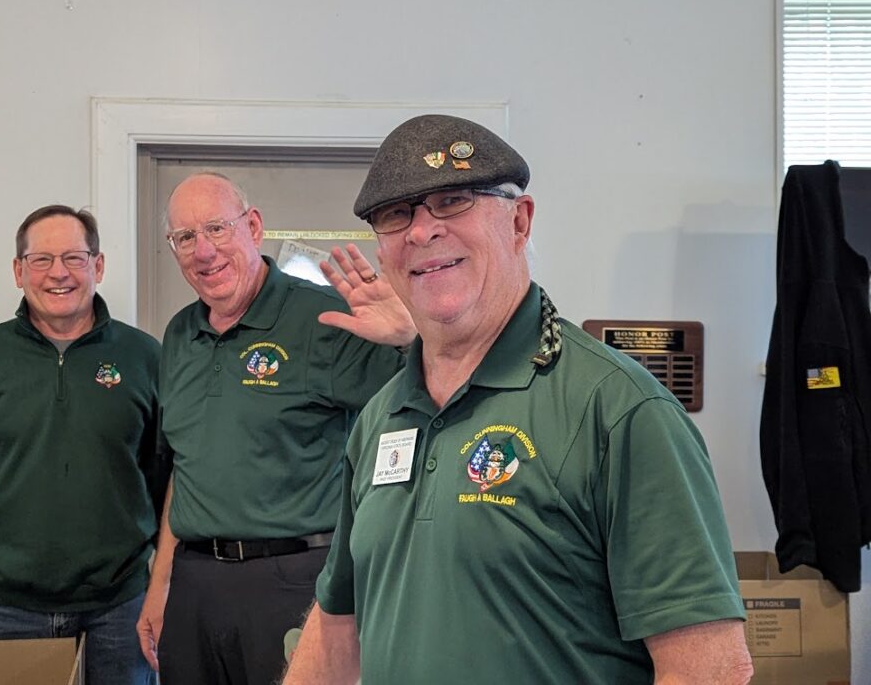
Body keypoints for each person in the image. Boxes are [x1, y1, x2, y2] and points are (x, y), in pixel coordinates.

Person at [284, 114, 755, 684]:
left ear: (519, 221)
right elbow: (339, 624)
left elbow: (709, 669)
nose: (421, 231)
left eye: (452, 201)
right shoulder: (381, 418)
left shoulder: (618, 411)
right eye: (395, 214)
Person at [135, 172, 413, 685]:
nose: (204, 251)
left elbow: (428, 405)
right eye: (185, 237)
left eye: (217, 228)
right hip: (194, 585)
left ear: (254, 227)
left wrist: (411, 338)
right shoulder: (179, 334)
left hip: (294, 581)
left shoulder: (325, 319)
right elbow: (187, 469)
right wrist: (161, 586)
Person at [0, 205, 164, 685]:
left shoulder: (144, 357)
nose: (58, 273)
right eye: (41, 259)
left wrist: (165, 586)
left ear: (98, 265)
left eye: (74, 257)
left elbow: (166, 481)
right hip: (2, 609)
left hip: (119, 607)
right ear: (18, 270)